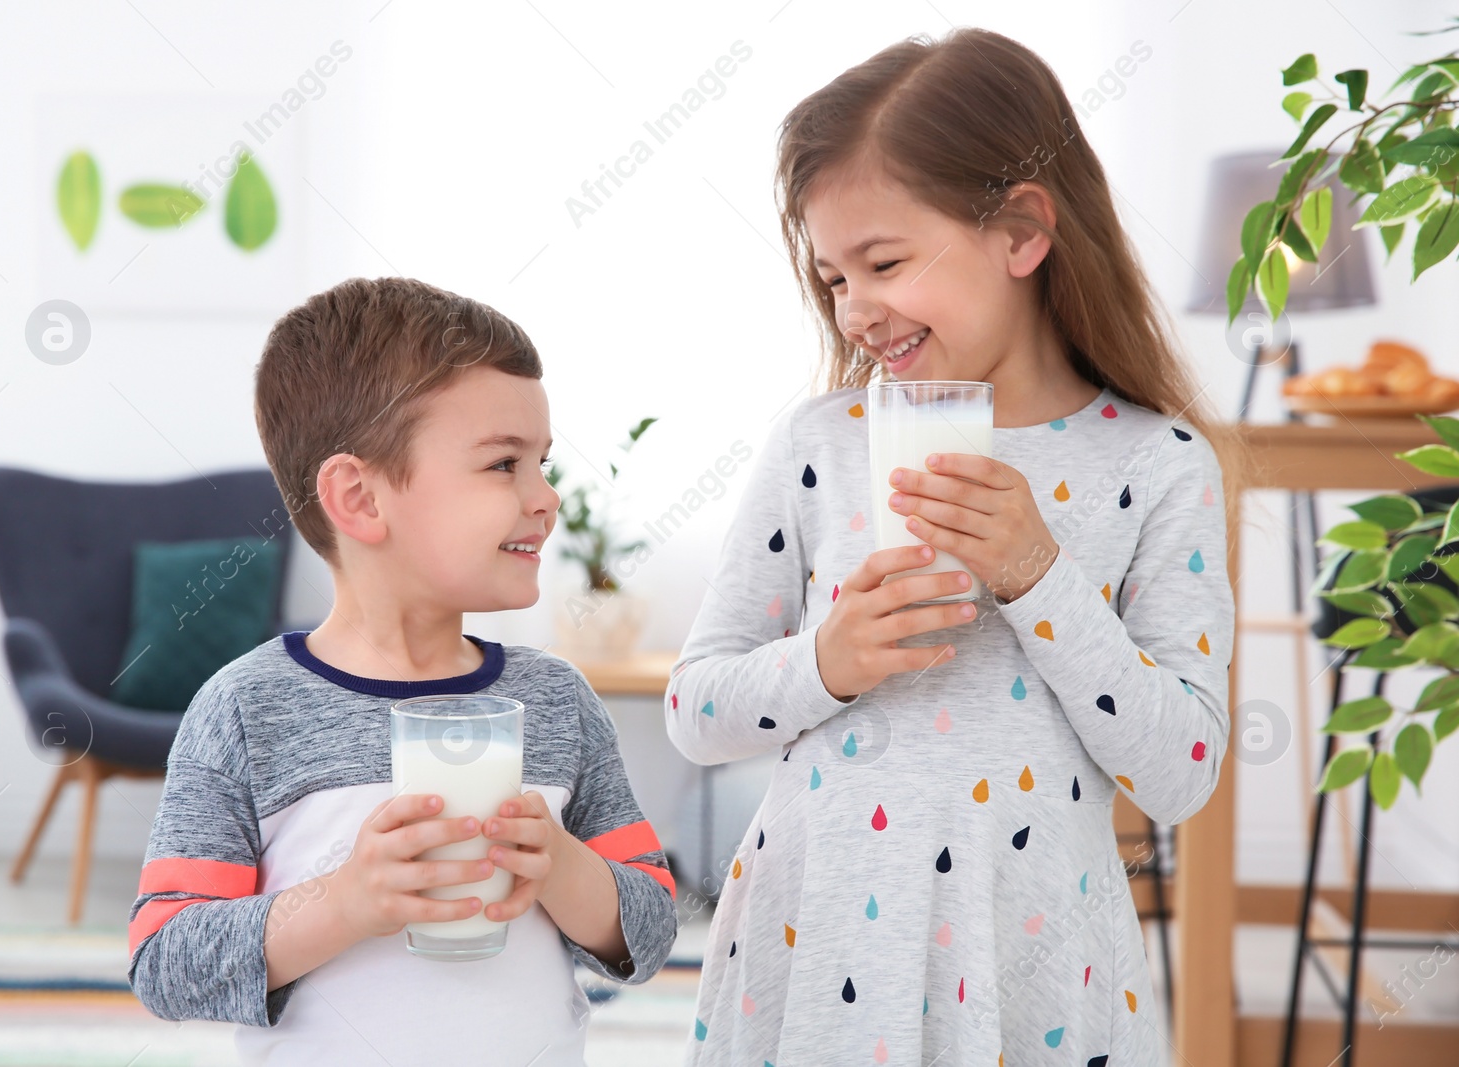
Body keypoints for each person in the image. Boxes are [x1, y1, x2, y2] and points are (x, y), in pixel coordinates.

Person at [666, 28, 1244, 1065]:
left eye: (882, 263)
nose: (854, 310)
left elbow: (1181, 770)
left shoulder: (1160, 463)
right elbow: (695, 710)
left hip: (1032, 940)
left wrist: (1037, 575)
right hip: (820, 922)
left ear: (1021, 232)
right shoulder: (820, 444)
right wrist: (825, 660)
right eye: (834, 277)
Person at [127, 276, 677, 1065]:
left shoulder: (556, 702)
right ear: (359, 497)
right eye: (503, 465)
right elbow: (165, 960)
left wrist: (561, 866)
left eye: (542, 462)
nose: (546, 497)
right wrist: (344, 902)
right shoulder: (249, 709)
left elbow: (652, 930)